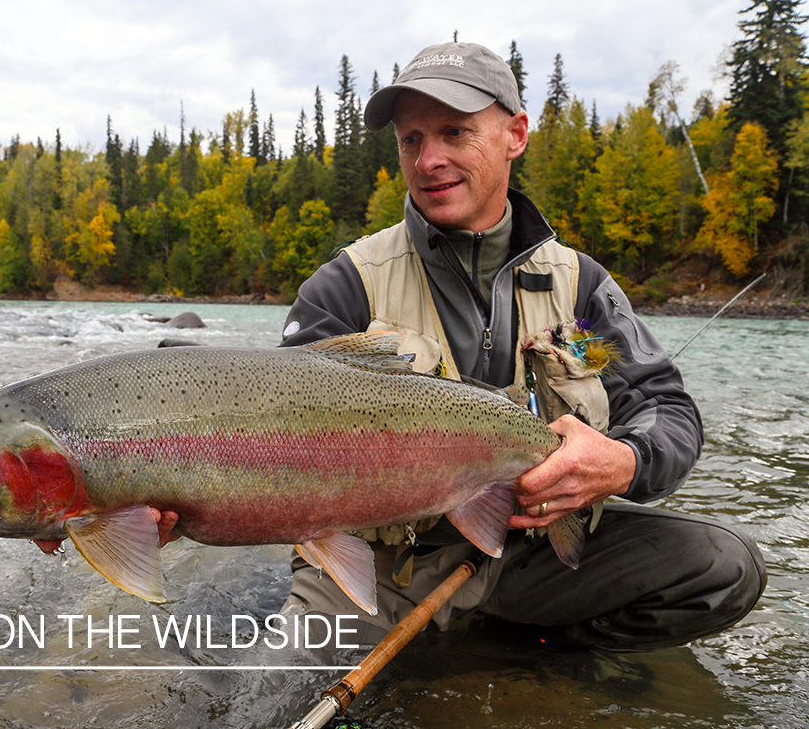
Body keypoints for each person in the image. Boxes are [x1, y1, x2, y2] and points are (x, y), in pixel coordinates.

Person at [270, 40, 766, 652]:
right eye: (411, 140)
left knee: (722, 567)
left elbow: (667, 409)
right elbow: (273, 439)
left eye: (454, 132)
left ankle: (524, 665)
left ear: (516, 134)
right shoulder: (345, 285)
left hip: (537, 557)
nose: (428, 160)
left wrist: (623, 463)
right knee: (273, 686)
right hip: (380, 569)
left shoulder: (580, 283)